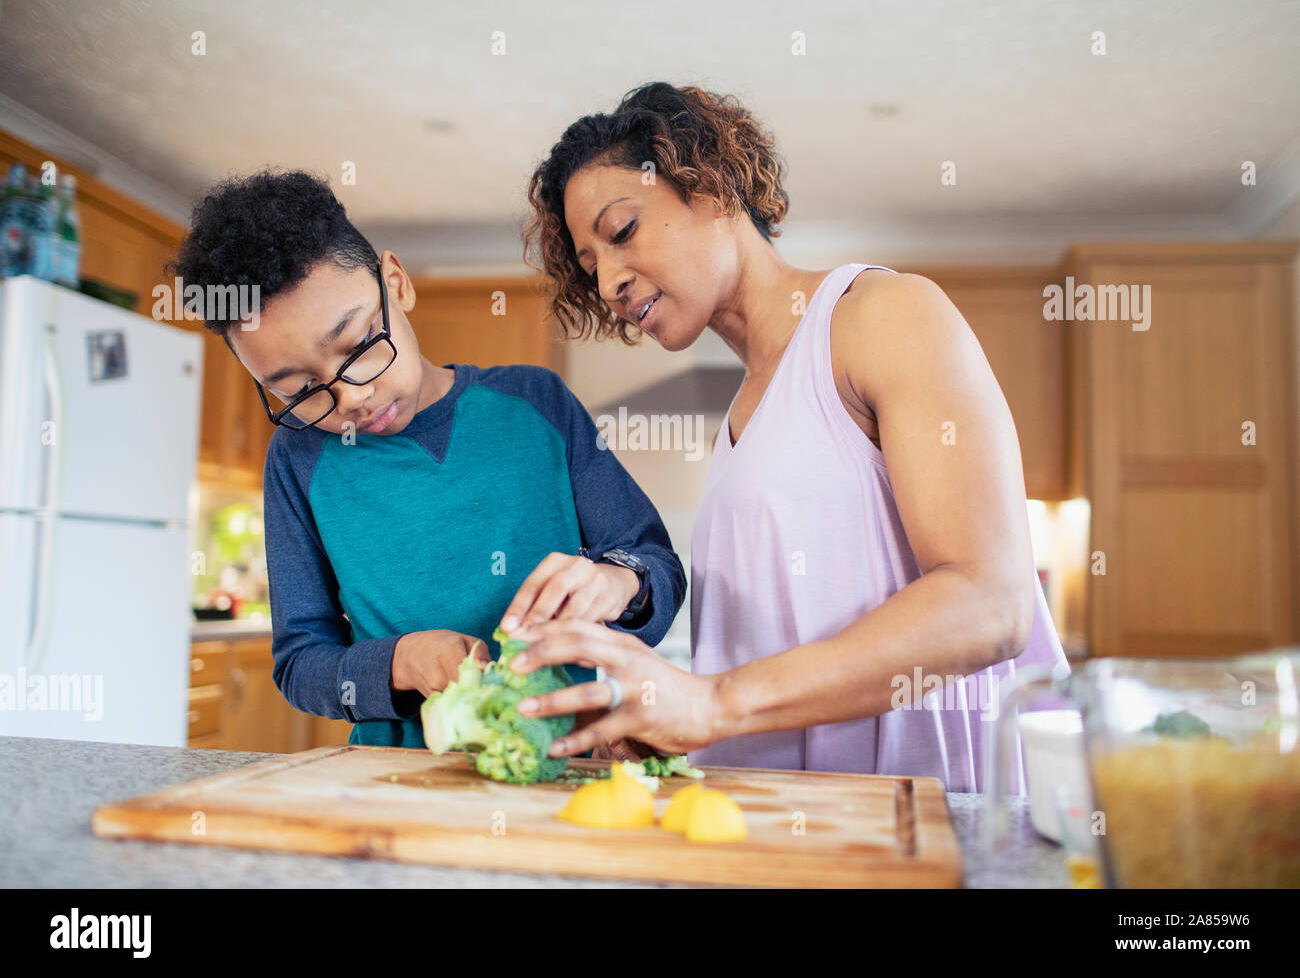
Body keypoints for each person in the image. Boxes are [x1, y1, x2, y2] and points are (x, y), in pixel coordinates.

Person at [506, 81, 1068, 791]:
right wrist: (672, 727)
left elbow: (991, 603)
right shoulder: (744, 416)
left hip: (925, 821)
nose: (611, 280)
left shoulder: (882, 315)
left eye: (622, 232)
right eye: (591, 268)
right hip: (799, 831)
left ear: (710, 183)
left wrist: (713, 702)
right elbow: (768, 675)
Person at [170, 169, 686, 748]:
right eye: (297, 391)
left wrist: (617, 581)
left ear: (396, 283)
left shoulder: (537, 404)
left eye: (360, 345)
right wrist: (404, 660)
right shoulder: (298, 459)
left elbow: (656, 565)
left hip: (567, 768)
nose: (351, 399)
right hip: (398, 785)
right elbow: (300, 665)